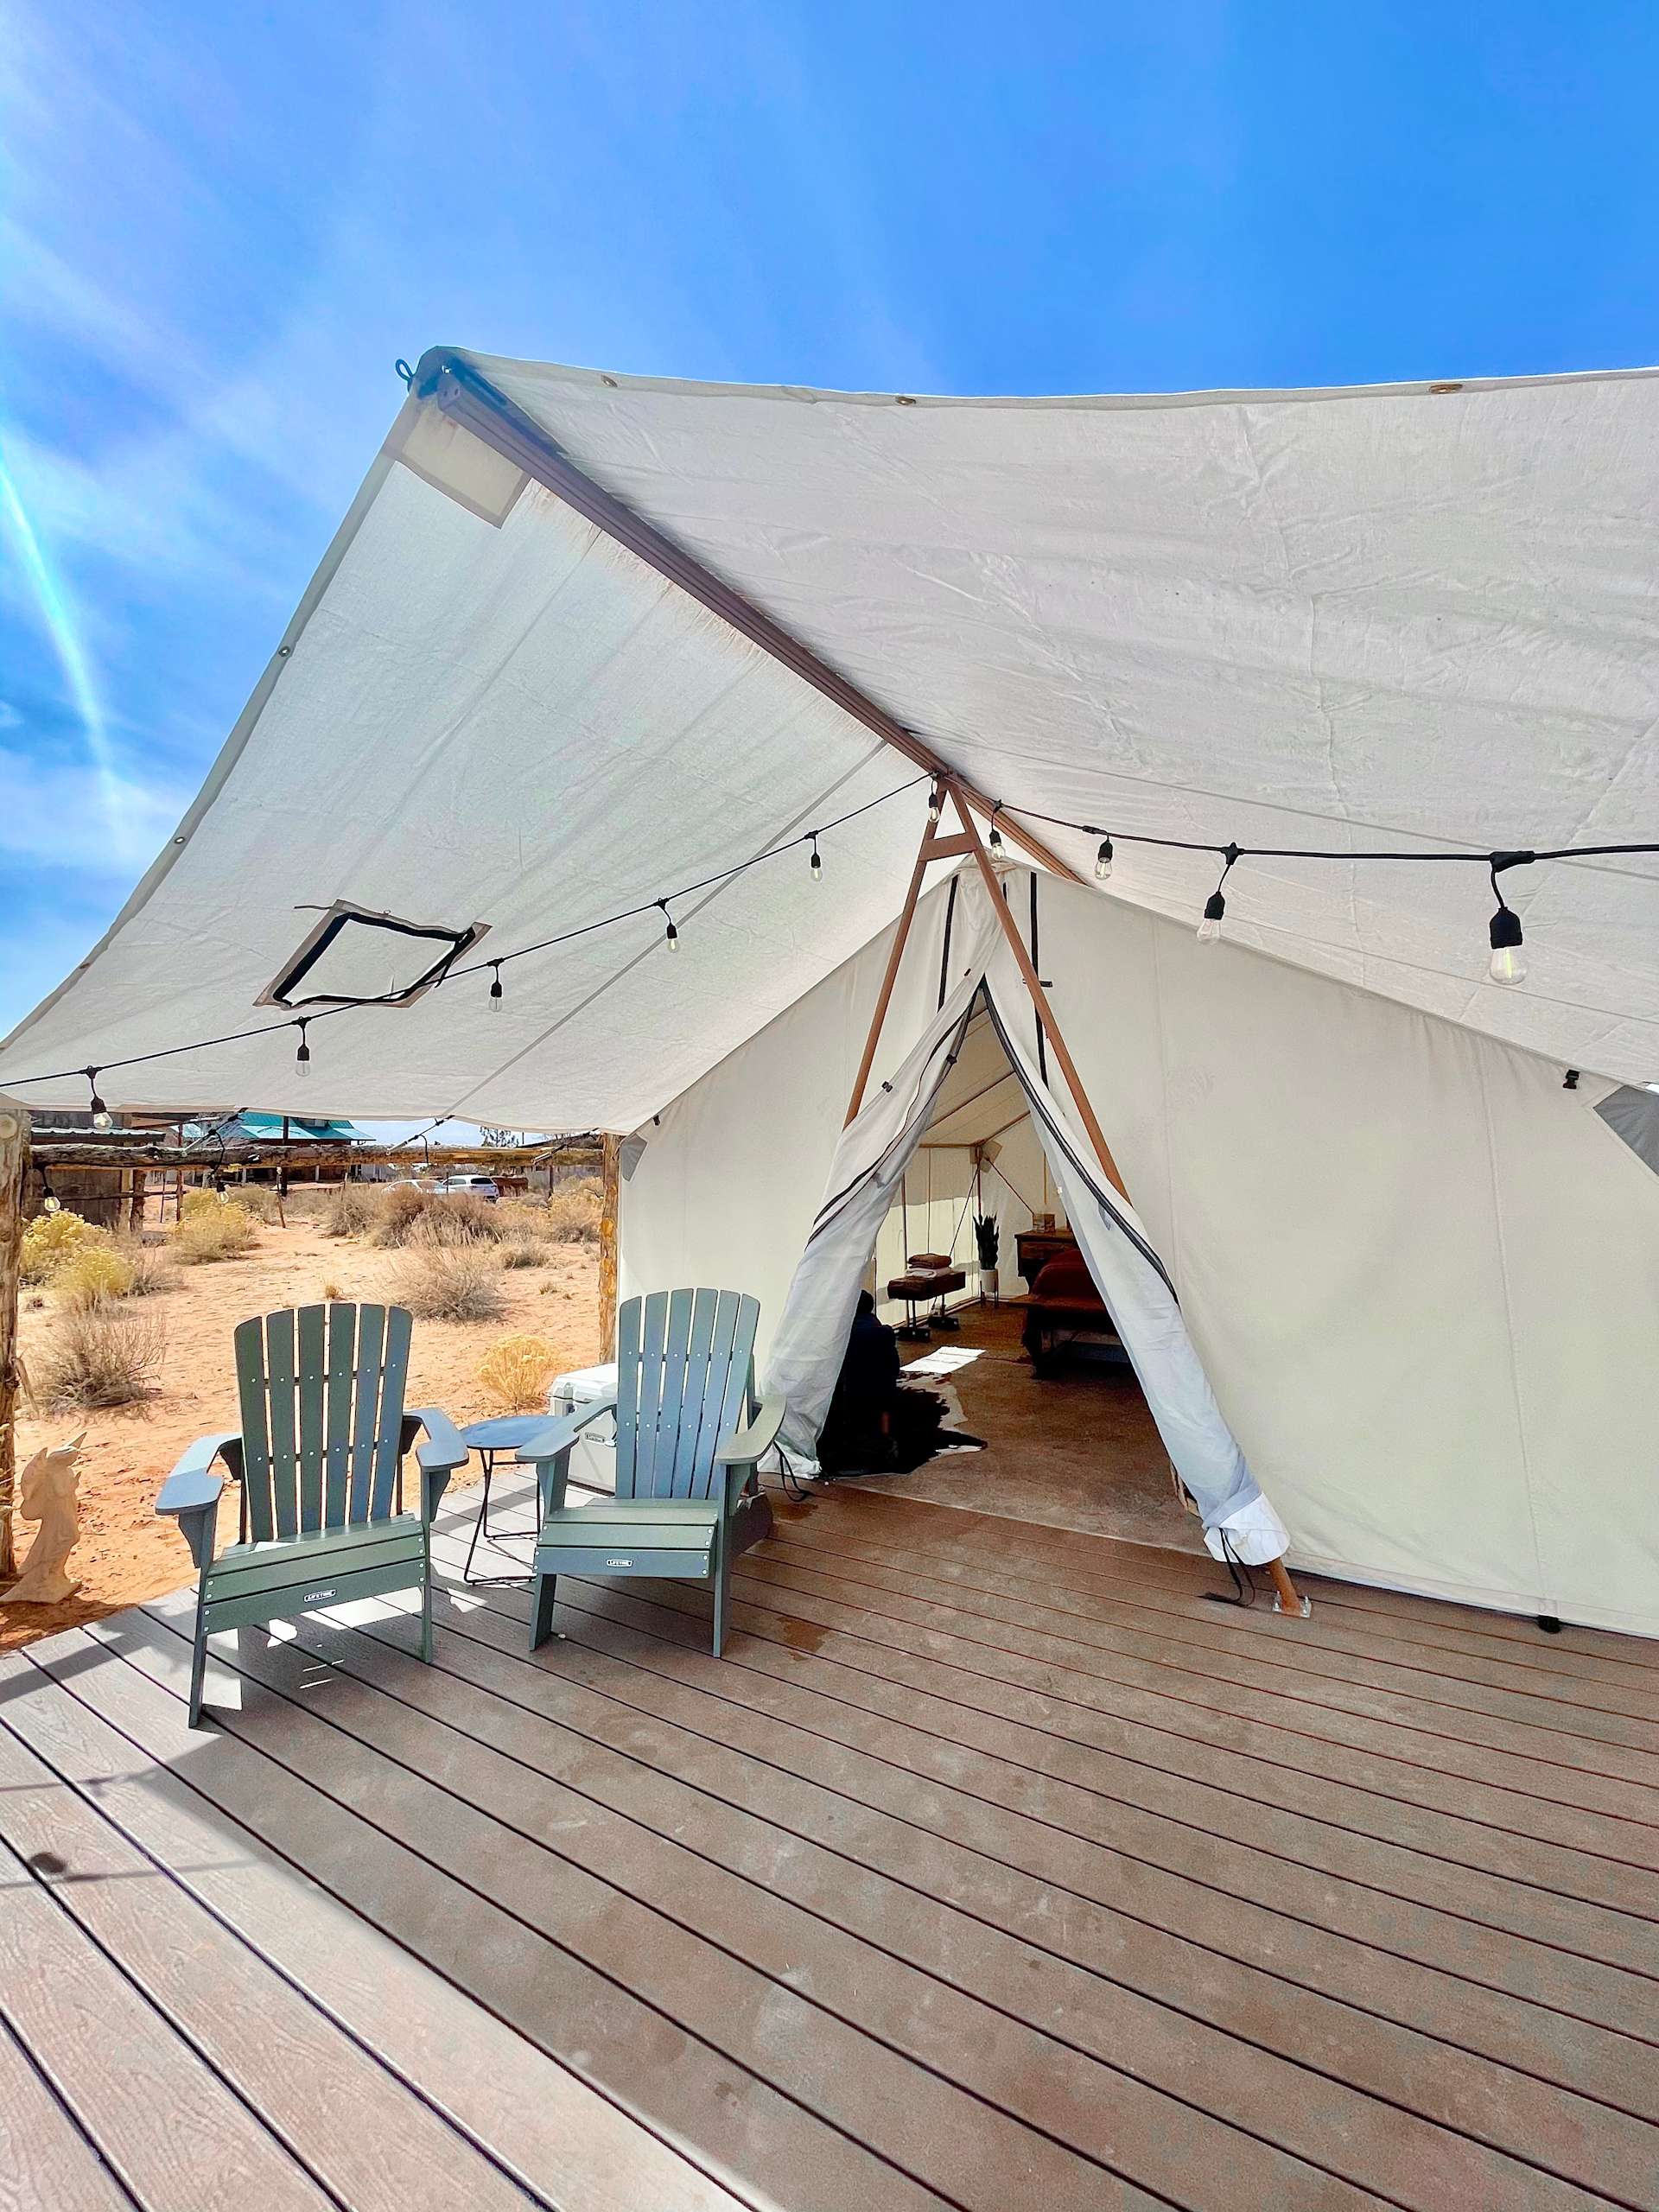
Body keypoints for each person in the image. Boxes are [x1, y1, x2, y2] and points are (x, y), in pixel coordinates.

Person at [817, 1289, 957, 1476]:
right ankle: (884, 1438)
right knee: (880, 1405)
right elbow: (893, 1365)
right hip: (881, 1392)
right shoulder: (882, 1332)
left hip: (851, 1395)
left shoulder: (841, 1335)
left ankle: (860, 1446)